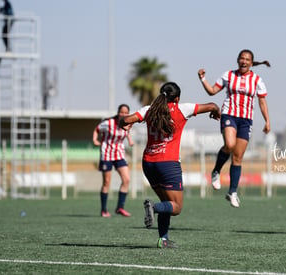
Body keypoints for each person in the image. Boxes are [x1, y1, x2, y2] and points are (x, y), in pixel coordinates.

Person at [119, 82, 220, 248]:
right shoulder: (182, 109)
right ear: (177, 98)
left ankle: (163, 239)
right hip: (168, 164)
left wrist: (128, 122)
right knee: (176, 207)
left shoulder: (148, 110)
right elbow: (211, 105)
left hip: (149, 163)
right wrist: (216, 112)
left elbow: (126, 120)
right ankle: (153, 207)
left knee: (166, 201)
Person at [197, 49, 271, 208]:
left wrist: (267, 121)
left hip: (246, 120)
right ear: (238, 60)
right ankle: (216, 171)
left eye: (247, 59)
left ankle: (233, 192)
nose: (244, 61)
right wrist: (202, 78)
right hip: (229, 115)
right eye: (241, 58)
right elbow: (212, 91)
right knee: (229, 145)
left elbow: (262, 101)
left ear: (251, 63)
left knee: (238, 157)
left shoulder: (257, 80)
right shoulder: (228, 75)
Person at [93, 104, 134, 218]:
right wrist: (95, 139)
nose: (124, 114)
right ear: (118, 112)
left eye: (126, 112)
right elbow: (97, 129)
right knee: (106, 182)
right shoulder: (108, 123)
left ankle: (120, 208)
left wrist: (130, 140)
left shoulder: (128, 124)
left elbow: (127, 133)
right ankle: (104, 210)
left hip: (119, 154)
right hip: (106, 155)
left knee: (126, 180)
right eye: (122, 112)